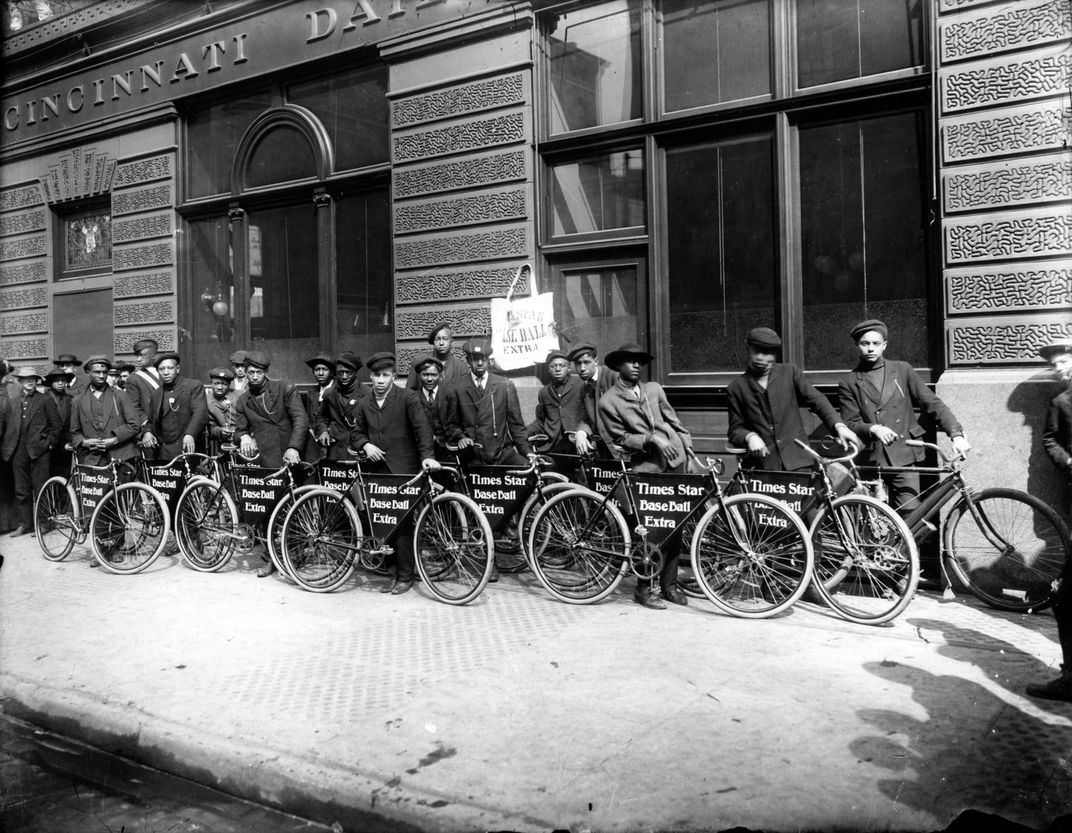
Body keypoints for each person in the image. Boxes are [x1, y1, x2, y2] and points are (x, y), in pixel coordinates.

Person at [838, 319, 970, 513]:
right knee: (874, 518)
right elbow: (851, 422)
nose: (871, 349)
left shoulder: (902, 370)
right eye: (865, 344)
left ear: (885, 345)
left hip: (905, 453)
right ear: (857, 346)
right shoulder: (849, 381)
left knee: (910, 512)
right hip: (873, 458)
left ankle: (907, 544)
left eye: (876, 343)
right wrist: (873, 428)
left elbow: (931, 403)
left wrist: (956, 434)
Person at [598, 343, 693, 610]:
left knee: (676, 524)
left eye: (639, 361)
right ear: (618, 366)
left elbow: (675, 423)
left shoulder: (654, 389)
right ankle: (643, 587)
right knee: (648, 529)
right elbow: (620, 438)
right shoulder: (609, 401)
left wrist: (689, 450)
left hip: (676, 463)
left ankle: (669, 585)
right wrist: (650, 439)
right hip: (646, 470)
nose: (636, 365)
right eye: (630, 361)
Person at [350, 352, 438, 595]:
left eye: (385, 375)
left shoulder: (407, 398)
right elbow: (356, 433)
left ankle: (406, 576)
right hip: (377, 475)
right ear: (371, 376)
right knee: (381, 522)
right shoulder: (365, 403)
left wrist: (427, 456)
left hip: (404, 472)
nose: (380, 380)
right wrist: (365, 445)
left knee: (402, 526)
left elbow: (423, 430)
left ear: (393, 376)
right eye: (376, 375)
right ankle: (391, 572)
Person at [727, 327, 859, 473]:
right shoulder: (736, 387)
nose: (760, 357)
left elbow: (817, 400)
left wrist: (839, 426)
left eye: (766, 352)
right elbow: (735, 430)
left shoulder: (790, 372)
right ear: (748, 349)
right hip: (762, 467)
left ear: (775, 354)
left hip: (799, 463)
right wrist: (749, 436)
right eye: (756, 351)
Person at [1026, 340, 1072, 702]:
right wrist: (1068, 462)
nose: (1061, 369)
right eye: (1056, 365)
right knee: (1065, 595)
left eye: (1066, 361)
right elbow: (1050, 439)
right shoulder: (1060, 402)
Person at [446, 339, 531, 467]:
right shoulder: (457, 388)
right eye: (475, 359)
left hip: (502, 453)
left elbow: (516, 425)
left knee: (527, 472)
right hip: (473, 455)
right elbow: (452, 424)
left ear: (489, 361)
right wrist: (461, 437)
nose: (480, 363)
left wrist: (527, 452)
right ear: (468, 361)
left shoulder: (505, 385)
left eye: (483, 359)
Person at [2, 367, 62, 536]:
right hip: (17, 450)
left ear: (37, 381)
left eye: (32, 379)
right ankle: (25, 523)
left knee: (40, 487)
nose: (29, 382)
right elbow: (6, 425)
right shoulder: (13, 400)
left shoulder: (45, 400)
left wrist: (49, 443)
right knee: (21, 489)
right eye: (25, 379)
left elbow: (56, 425)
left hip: (39, 450)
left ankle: (44, 523)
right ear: (20, 382)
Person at [69, 356, 142, 467]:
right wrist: (84, 442)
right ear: (88, 373)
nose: (102, 376)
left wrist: (114, 440)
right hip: (91, 459)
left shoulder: (120, 396)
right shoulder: (77, 401)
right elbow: (74, 432)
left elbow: (135, 425)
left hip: (121, 456)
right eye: (97, 372)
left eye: (104, 372)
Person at [140, 352, 208, 461]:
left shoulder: (193, 386)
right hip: (163, 451)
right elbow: (151, 421)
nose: (166, 372)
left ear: (178, 369)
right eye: (162, 369)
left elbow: (200, 414)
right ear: (157, 371)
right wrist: (147, 433)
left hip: (186, 447)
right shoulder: (156, 395)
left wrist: (190, 434)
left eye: (170, 368)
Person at [568, 341, 618, 457]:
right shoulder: (584, 386)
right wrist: (580, 433)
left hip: (622, 449)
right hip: (604, 450)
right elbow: (586, 418)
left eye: (586, 362)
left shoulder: (613, 377)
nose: (582, 368)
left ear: (596, 361)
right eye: (578, 363)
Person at [315, 351, 365, 460]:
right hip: (336, 450)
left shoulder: (367, 393)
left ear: (355, 373)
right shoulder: (329, 393)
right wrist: (323, 431)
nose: (344, 376)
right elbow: (321, 417)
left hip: (356, 449)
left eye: (348, 372)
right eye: (340, 372)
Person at [412, 355, 453, 460]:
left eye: (434, 375)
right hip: (423, 450)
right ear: (419, 375)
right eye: (425, 375)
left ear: (440, 375)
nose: (429, 379)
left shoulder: (449, 394)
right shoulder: (413, 398)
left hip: (449, 450)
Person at [407, 322, 467, 392]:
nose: (441, 343)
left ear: (451, 342)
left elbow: (464, 394)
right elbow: (409, 391)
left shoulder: (461, 367)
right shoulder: (419, 361)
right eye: (437, 339)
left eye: (445, 339)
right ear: (433, 342)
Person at [124, 338, 162, 435]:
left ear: (153, 356)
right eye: (137, 356)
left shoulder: (164, 373)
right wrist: (148, 428)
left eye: (141, 355)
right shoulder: (134, 379)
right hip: (151, 428)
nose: (138, 359)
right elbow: (134, 407)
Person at [303, 351, 335, 462]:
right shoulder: (312, 393)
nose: (320, 373)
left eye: (324, 369)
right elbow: (309, 417)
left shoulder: (337, 391)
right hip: (315, 444)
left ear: (331, 372)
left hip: (333, 443)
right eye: (317, 370)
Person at [44, 369, 75, 478]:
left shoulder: (71, 399)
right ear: (51, 383)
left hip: (65, 444)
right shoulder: (44, 399)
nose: (61, 383)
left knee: (65, 475)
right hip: (48, 443)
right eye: (57, 381)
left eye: (63, 380)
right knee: (48, 475)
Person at [205, 366, 239, 453]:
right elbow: (211, 429)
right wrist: (220, 431)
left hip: (243, 442)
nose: (220, 387)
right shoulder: (207, 402)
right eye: (216, 383)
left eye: (224, 384)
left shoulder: (239, 397)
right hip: (223, 447)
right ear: (211, 383)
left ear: (229, 384)